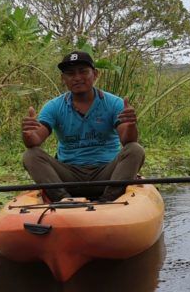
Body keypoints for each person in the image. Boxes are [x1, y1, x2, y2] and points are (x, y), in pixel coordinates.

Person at [21, 51, 145, 202]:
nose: (77, 78)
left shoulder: (114, 103)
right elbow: (34, 141)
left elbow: (128, 140)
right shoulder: (53, 106)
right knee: (31, 155)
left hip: (107, 174)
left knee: (135, 149)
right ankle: (64, 200)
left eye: (83, 72)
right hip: (69, 175)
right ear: (63, 78)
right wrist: (28, 134)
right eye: (70, 73)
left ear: (95, 74)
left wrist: (131, 125)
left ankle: (108, 200)